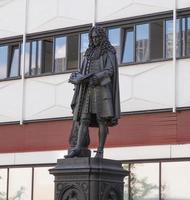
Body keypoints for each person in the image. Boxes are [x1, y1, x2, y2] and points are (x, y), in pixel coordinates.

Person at [65, 26, 120, 158]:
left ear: (102, 37)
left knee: (102, 120)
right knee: (83, 119)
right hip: (87, 90)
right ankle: (78, 147)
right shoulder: (88, 53)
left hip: (101, 90)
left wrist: (97, 77)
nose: (94, 39)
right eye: (92, 37)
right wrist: (76, 76)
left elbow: (110, 70)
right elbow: (83, 71)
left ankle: (100, 151)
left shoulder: (109, 52)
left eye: (97, 37)